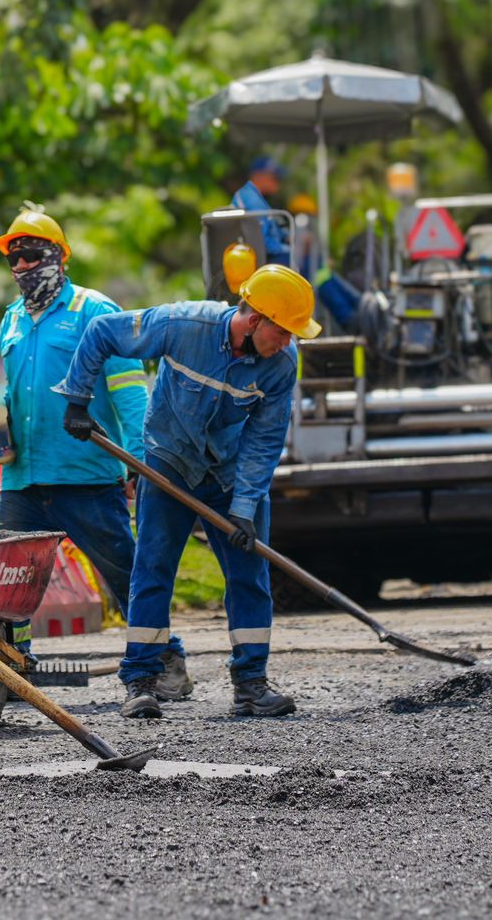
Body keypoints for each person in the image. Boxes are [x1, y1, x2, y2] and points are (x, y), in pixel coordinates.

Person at [54, 265, 318, 720]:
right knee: (153, 569)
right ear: (254, 320)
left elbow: (264, 441)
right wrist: (77, 400)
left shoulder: (280, 366)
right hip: (170, 462)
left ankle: (251, 684)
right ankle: (140, 681)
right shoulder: (182, 325)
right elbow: (101, 332)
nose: (289, 342)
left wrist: (243, 509)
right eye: (285, 330)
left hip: (233, 474)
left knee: (249, 574)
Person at [0, 207, 192, 699]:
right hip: (23, 478)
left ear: (60, 257)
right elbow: (11, 391)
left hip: (85, 474)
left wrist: (141, 460)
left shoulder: (96, 312)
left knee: (126, 573)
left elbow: (129, 392)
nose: (22, 266)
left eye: (32, 254)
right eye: (14, 257)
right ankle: (15, 663)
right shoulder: (12, 318)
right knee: (4, 581)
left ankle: (167, 660)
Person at [233, 156, 290, 266]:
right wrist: (289, 249)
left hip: (267, 257)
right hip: (264, 261)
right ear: (259, 176)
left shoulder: (256, 198)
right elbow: (263, 243)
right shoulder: (251, 200)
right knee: (306, 259)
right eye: (275, 177)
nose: (278, 182)